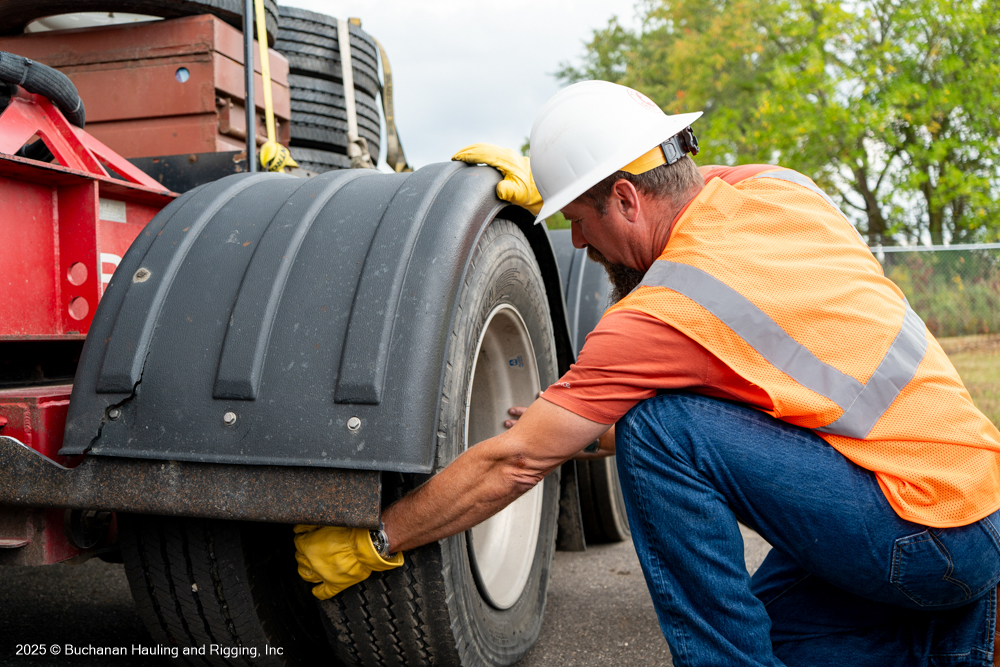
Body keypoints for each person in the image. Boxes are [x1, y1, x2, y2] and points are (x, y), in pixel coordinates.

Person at [293, 80, 1000, 666]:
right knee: (778, 633)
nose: (579, 241)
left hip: (922, 533)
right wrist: (554, 189)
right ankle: (958, 640)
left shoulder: (663, 311)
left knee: (657, 430)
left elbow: (510, 462)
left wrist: (378, 539)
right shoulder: (782, 191)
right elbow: (744, 394)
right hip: (975, 508)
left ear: (628, 200)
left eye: (578, 219)